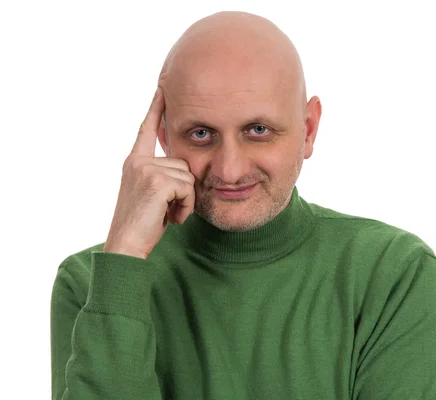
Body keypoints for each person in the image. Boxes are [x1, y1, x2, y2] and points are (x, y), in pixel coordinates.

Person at [50, 11, 436, 400]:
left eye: (258, 131)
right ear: (164, 139)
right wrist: (124, 260)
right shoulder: (92, 285)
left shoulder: (395, 274)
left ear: (308, 130)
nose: (230, 170)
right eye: (201, 134)